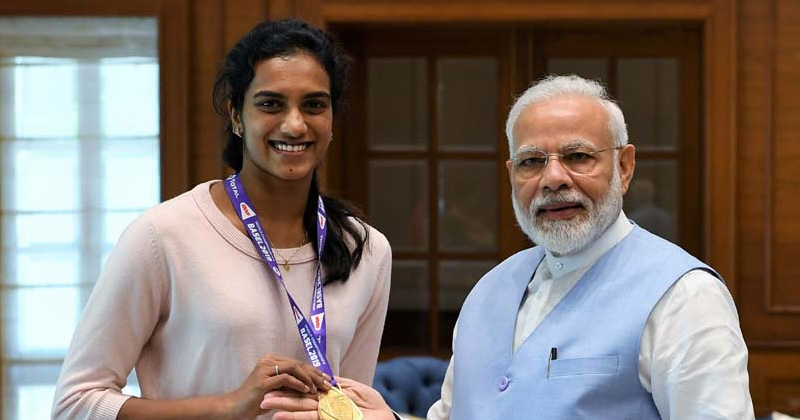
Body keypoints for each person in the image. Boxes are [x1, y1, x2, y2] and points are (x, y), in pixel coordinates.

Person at [263, 75, 754, 420]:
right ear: (511, 175)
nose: (553, 179)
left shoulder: (683, 296)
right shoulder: (491, 290)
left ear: (624, 167)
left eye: (579, 156)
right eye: (531, 162)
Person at [52, 18, 391, 420]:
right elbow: (75, 404)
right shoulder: (164, 236)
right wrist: (227, 408)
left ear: (333, 118)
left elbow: (352, 405)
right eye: (270, 103)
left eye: (314, 104)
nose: (295, 124)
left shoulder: (366, 249)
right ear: (235, 115)